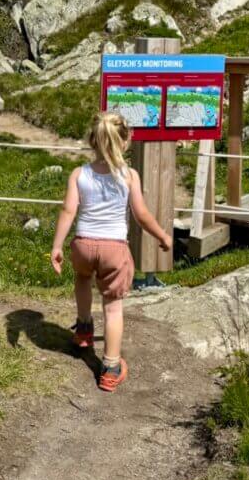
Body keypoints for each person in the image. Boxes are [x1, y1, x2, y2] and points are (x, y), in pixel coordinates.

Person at [50, 111, 172, 392]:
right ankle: (110, 367)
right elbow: (140, 215)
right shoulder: (129, 176)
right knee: (113, 306)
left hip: (83, 243)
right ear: (126, 141)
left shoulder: (79, 174)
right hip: (114, 248)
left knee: (82, 279)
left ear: (92, 140)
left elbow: (69, 210)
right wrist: (163, 236)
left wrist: (57, 246)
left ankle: (83, 331)